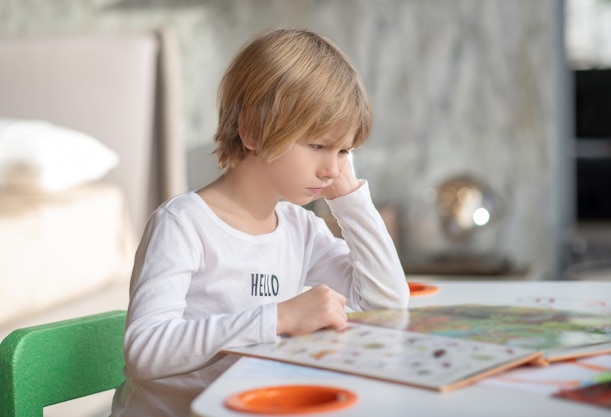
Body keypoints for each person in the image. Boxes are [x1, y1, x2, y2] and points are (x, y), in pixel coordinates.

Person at [111, 26, 409, 417]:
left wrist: (350, 200)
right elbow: (145, 352)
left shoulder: (300, 229)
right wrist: (279, 318)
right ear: (251, 129)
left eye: (344, 151)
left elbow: (387, 304)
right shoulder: (183, 225)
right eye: (318, 146)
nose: (331, 168)